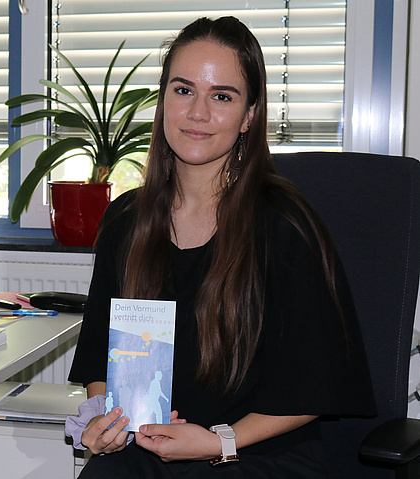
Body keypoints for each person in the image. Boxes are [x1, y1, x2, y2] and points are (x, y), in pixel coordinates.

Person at [66, 16, 376, 477]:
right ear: (163, 100)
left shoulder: (286, 225)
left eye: (222, 96)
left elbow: (317, 384)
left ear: (249, 115)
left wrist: (218, 439)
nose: (197, 113)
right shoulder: (125, 220)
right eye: (183, 90)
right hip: (152, 443)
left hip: (257, 451)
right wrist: (107, 422)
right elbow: (100, 356)